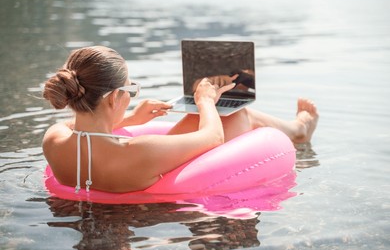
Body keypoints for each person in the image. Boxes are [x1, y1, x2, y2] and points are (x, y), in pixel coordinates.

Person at [42, 46, 318, 193]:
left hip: (111, 190)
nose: (132, 96)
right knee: (236, 113)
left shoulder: (52, 140)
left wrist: (131, 119)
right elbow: (213, 137)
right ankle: (298, 131)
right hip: (153, 204)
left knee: (233, 114)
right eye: (131, 89)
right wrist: (205, 101)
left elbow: (73, 126)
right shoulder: (140, 150)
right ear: (114, 98)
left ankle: (298, 129)